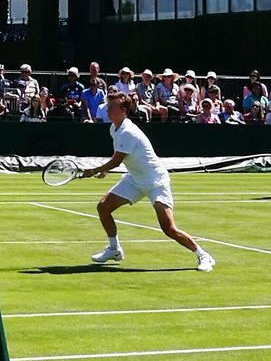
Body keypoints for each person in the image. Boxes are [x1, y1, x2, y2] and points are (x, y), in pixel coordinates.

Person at [84, 91, 215, 271]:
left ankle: (203, 255)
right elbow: (120, 156)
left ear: (123, 110)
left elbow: (117, 160)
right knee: (103, 207)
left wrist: (93, 170)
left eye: (111, 107)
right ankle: (114, 249)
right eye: (108, 106)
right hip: (135, 179)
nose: (107, 110)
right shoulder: (114, 128)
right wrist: (104, 171)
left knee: (168, 228)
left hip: (156, 181)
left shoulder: (128, 131)